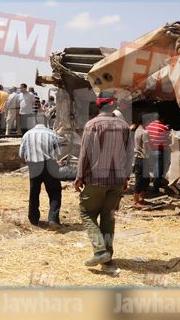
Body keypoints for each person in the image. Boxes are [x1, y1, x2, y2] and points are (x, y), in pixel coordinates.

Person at [75, 96, 130, 271]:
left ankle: (100, 251)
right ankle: (107, 258)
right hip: (117, 181)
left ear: (98, 107)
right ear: (114, 106)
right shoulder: (124, 126)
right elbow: (130, 155)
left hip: (96, 179)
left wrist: (79, 177)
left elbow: (84, 153)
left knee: (87, 213)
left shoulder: (92, 125)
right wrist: (126, 177)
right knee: (109, 217)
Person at [19, 116, 62, 229]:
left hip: (34, 166)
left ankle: (33, 219)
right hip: (50, 165)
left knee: (34, 192)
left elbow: (21, 154)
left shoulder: (27, 135)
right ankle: (53, 219)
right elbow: (58, 152)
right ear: (46, 122)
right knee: (55, 191)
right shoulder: (52, 134)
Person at [145, 113, 170, 193]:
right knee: (158, 170)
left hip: (149, 151)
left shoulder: (148, 127)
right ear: (162, 119)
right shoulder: (164, 128)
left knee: (151, 169)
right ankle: (155, 189)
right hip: (159, 151)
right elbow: (167, 141)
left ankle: (149, 185)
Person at [132, 114, 150, 207]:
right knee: (143, 180)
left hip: (138, 158)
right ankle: (137, 201)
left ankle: (140, 199)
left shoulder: (137, 131)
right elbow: (147, 147)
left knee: (140, 179)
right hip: (144, 158)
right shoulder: (145, 132)